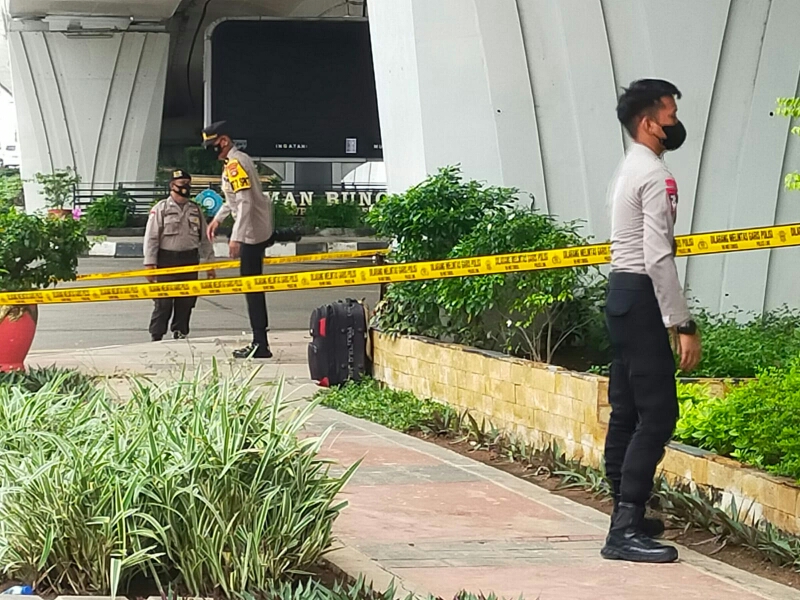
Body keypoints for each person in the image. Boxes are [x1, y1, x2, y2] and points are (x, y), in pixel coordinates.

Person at [601, 79, 702, 563]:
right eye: (670, 115)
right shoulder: (656, 175)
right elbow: (659, 256)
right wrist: (682, 324)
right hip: (641, 295)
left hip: (620, 295)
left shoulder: (627, 168)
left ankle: (625, 511)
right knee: (658, 414)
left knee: (626, 409)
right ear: (648, 123)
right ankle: (624, 530)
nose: (676, 124)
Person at [202, 121, 275, 359]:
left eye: (212, 145)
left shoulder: (235, 164)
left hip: (252, 235)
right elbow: (233, 200)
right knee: (251, 287)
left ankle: (260, 343)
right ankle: (259, 341)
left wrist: (237, 238)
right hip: (252, 231)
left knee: (252, 288)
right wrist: (217, 219)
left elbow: (245, 203)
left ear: (223, 141)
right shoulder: (234, 162)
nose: (210, 150)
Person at [144, 169, 216, 341]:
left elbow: (205, 239)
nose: (186, 187)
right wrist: (149, 264)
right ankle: (156, 335)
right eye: (182, 184)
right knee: (163, 302)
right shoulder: (161, 208)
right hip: (166, 260)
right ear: (172, 185)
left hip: (189, 260)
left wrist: (210, 264)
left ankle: (180, 333)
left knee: (186, 301)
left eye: (188, 184)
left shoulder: (195, 210)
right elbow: (151, 237)